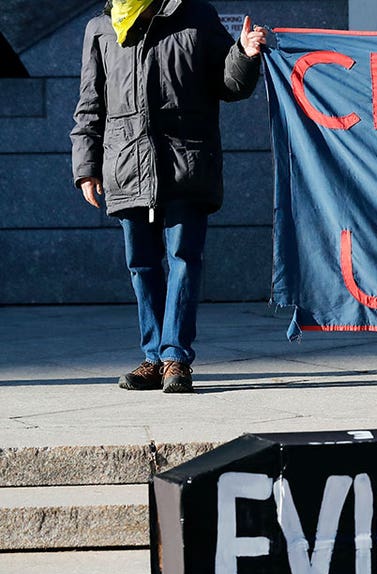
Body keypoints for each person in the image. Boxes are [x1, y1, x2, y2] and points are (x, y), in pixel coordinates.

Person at [71, 1, 267, 392]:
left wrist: (243, 54)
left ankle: (175, 356)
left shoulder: (197, 16)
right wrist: (86, 167)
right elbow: (91, 105)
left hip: (187, 161)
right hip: (127, 163)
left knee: (183, 258)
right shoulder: (101, 27)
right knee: (141, 263)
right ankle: (152, 357)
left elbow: (227, 84)